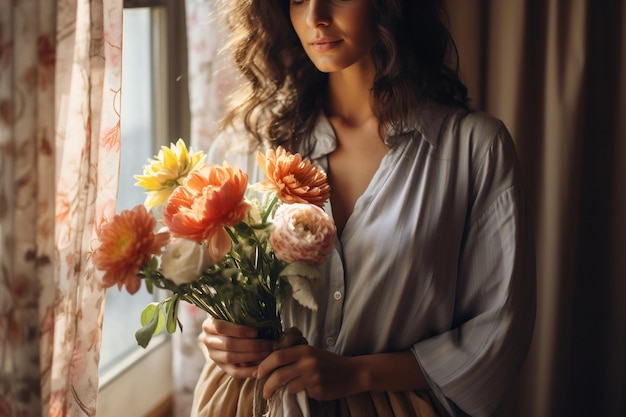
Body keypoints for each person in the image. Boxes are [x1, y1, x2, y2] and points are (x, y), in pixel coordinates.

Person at [190, 0, 536, 416]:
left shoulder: (474, 150)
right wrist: (218, 335)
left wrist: (358, 375)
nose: (316, 16)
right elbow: (213, 284)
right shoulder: (246, 143)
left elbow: (497, 333)